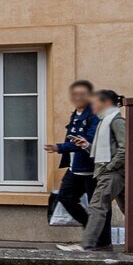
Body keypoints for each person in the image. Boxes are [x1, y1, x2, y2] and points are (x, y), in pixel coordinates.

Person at [78, 90, 130, 250]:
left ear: (106, 103)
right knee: (131, 209)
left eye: (95, 102)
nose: (92, 106)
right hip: (111, 171)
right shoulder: (105, 120)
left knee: (96, 207)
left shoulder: (116, 121)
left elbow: (125, 147)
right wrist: (87, 146)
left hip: (112, 173)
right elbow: (109, 149)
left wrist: (110, 167)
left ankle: (87, 244)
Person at [49, 80, 98, 226]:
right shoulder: (76, 114)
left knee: (97, 205)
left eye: (82, 94)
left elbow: (87, 141)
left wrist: (60, 147)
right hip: (75, 167)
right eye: (75, 94)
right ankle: (89, 227)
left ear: (89, 95)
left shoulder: (93, 115)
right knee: (65, 196)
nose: (78, 97)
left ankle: (98, 235)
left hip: (90, 168)